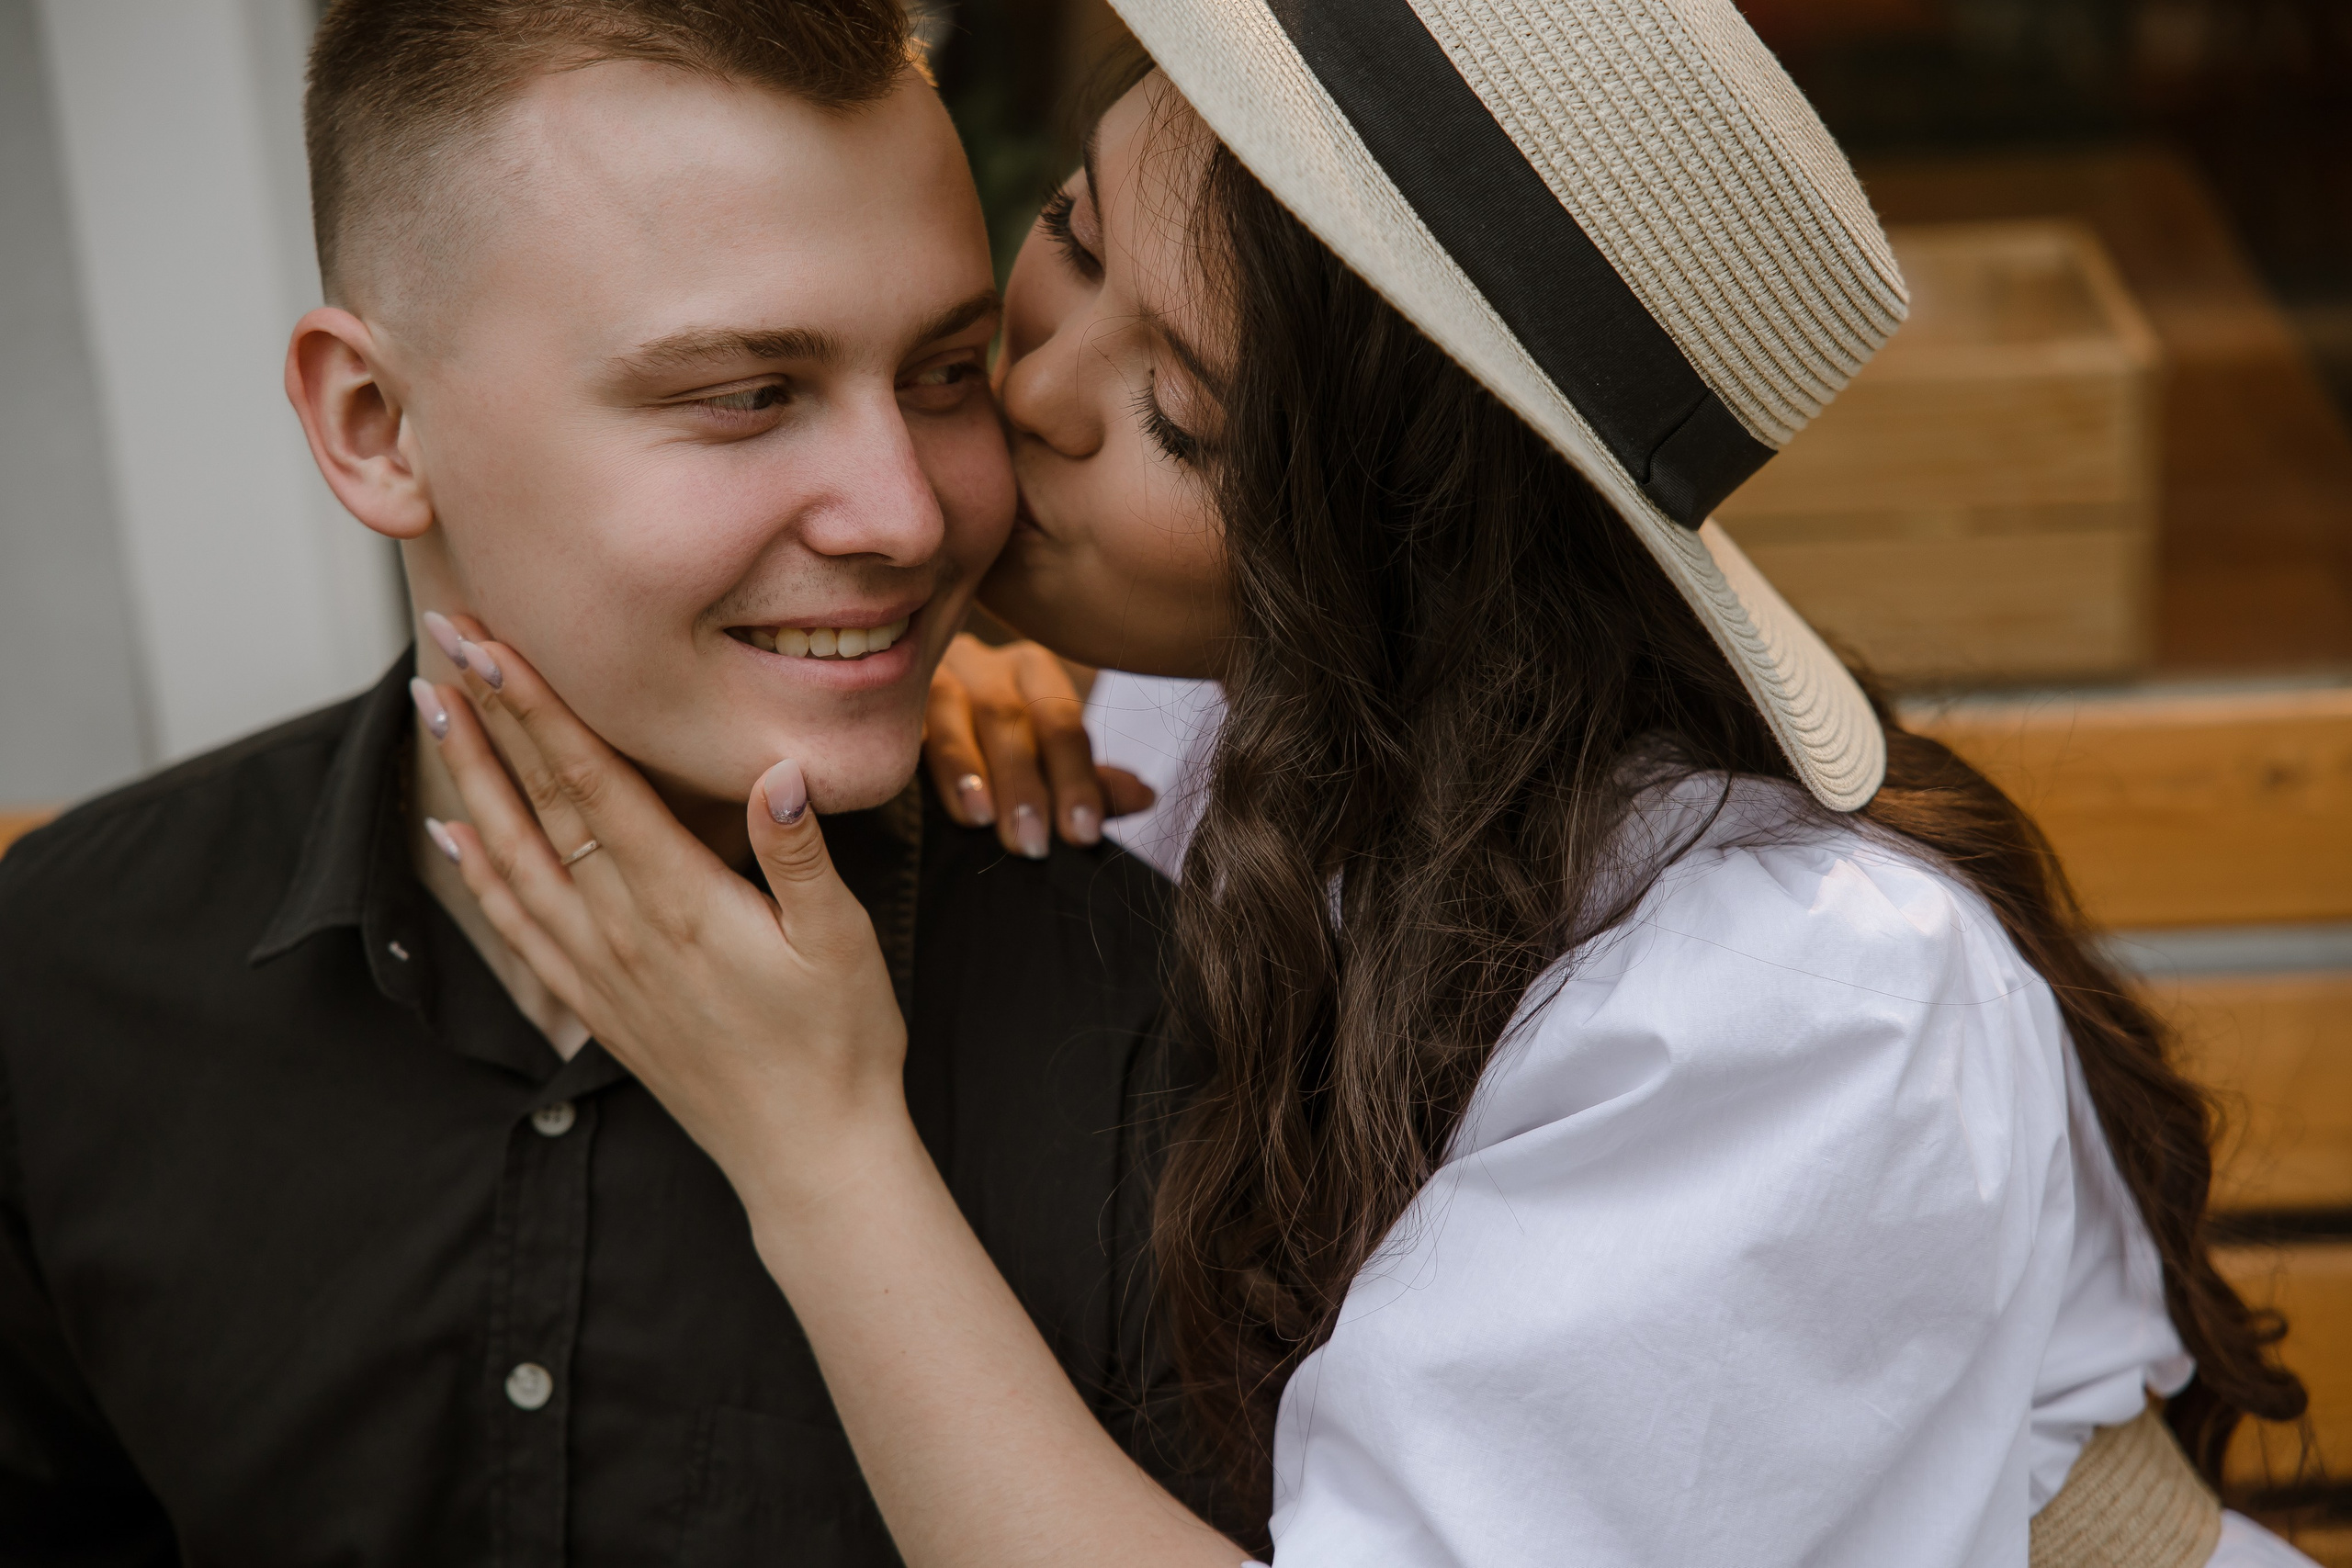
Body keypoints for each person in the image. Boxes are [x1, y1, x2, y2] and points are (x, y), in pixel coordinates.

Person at [421, 2, 2325, 1565]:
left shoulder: (1784, 1005)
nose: (1031, 393)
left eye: (1182, 415)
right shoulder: (1201, 711)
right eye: (1068, 236)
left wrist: (813, 1142)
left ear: (1412, 540)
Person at [0, 3, 1218, 1560]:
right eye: (745, 393)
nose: (908, 518)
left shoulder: (1167, 1017)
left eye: (942, 371)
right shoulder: (69, 971)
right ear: (375, 427)